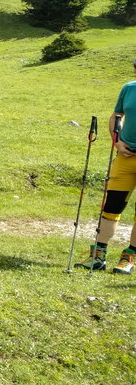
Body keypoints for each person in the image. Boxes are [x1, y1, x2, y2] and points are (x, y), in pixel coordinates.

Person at [76, 57, 136, 274]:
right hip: (125, 157)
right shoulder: (129, 88)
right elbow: (116, 116)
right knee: (111, 206)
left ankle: (129, 258)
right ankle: (98, 257)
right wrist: (117, 141)